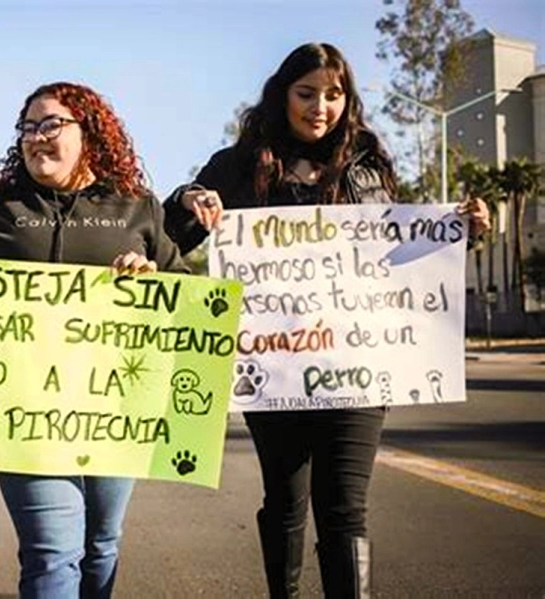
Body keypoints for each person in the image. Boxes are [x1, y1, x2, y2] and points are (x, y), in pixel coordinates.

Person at [162, 43, 491, 598]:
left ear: (348, 99)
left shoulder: (367, 162)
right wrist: (188, 199)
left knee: (344, 506)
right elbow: (173, 235)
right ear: (282, 95)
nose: (320, 107)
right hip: (276, 366)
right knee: (285, 500)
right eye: (307, 93)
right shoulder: (238, 164)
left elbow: (402, 249)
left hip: (356, 366)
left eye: (333, 95)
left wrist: (465, 228)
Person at [0, 81, 189, 598]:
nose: (35, 138)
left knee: (100, 545)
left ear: (89, 132)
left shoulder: (137, 208)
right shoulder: (0, 211)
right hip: (23, 414)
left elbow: (186, 300)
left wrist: (153, 280)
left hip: (115, 412)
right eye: (27, 128)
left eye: (51, 125)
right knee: (52, 554)